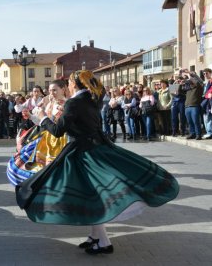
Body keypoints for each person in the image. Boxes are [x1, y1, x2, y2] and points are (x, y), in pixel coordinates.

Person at [16, 70, 179, 255]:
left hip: (83, 153)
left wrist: (42, 118)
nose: (68, 86)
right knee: (92, 195)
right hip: (96, 148)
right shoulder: (91, 99)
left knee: (91, 196)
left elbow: (58, 131)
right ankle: (96, 236)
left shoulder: (73, 103)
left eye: (69, 83)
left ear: (74, 85)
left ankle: (104, 242)